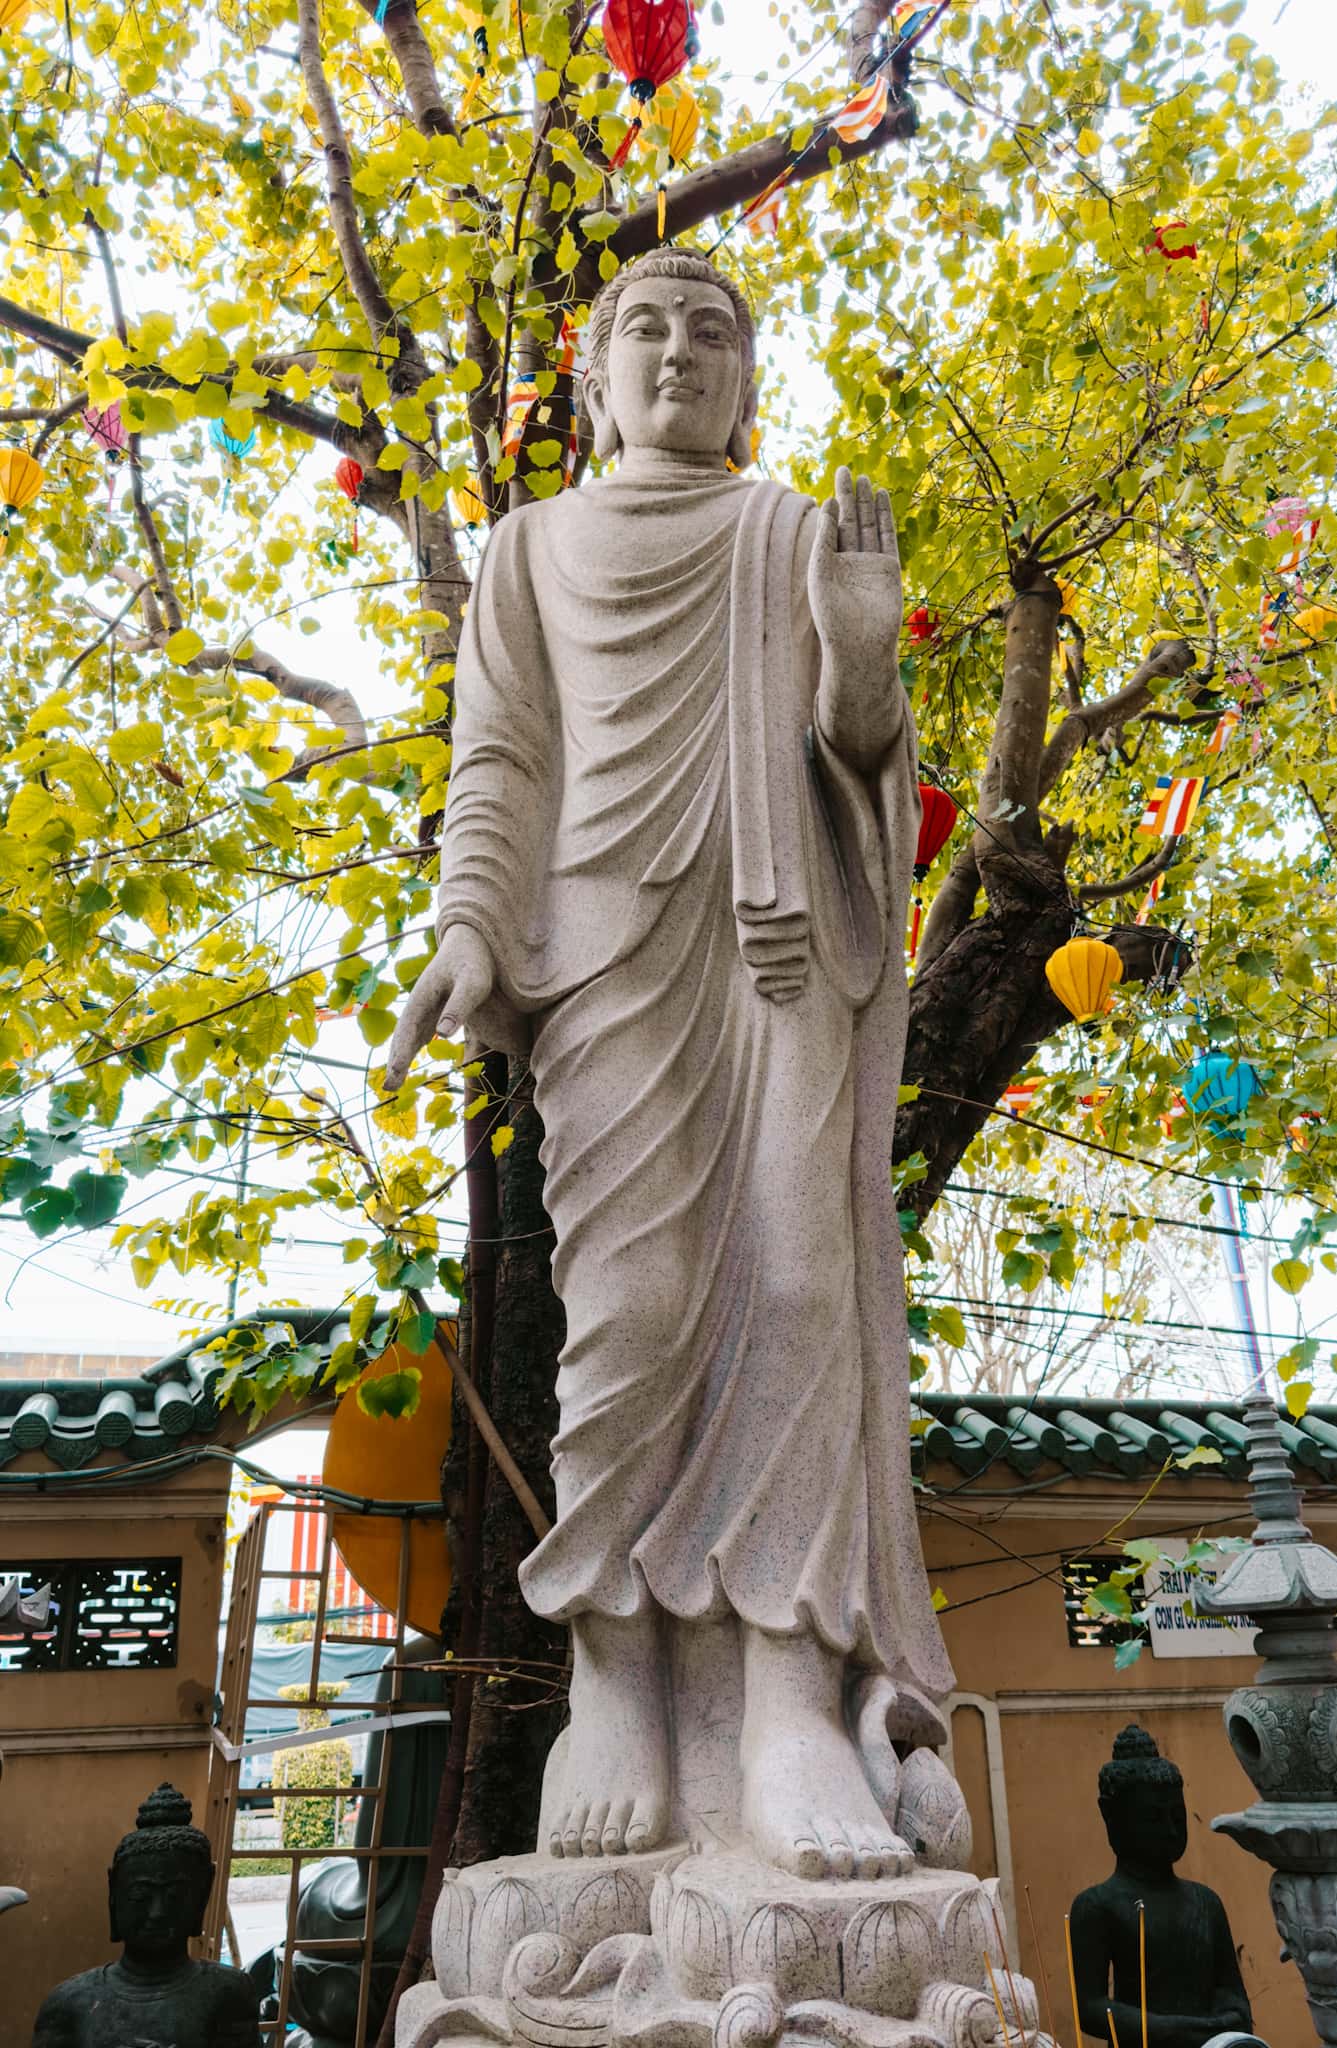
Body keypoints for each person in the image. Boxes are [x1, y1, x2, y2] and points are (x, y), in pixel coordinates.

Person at [385, 247, 952, 1883]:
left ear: (748, 379)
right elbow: (498, 750)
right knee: (623, 1323)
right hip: (606, 962)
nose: (681, 351)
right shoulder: (525, 549)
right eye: (646, 326)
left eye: (716, 330)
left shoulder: (783, 530)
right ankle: (616, 1687)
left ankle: (786, 1701)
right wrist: (470, 930)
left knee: (797, 1298)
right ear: (593, 376)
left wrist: (855, 660)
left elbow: (858, 758)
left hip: (782, 951)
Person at [1069, 1727, 1258, 2048]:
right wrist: (1167, 2029)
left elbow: (1233, 1996)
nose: (1171, 1829)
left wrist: (1224, 2020)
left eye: (1177, 1815)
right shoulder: (1097, 1905)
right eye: (1153, 1818)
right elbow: (1089, 2008)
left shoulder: (1205, 1902)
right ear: (1113, 1818)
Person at [31, 1782, 260, 2046]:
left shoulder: (227, 1992)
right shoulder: (68, 2003)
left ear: (201, 1899)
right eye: (140, 1896)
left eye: (174, 1897)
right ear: (114, 1898)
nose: (157, 1913)